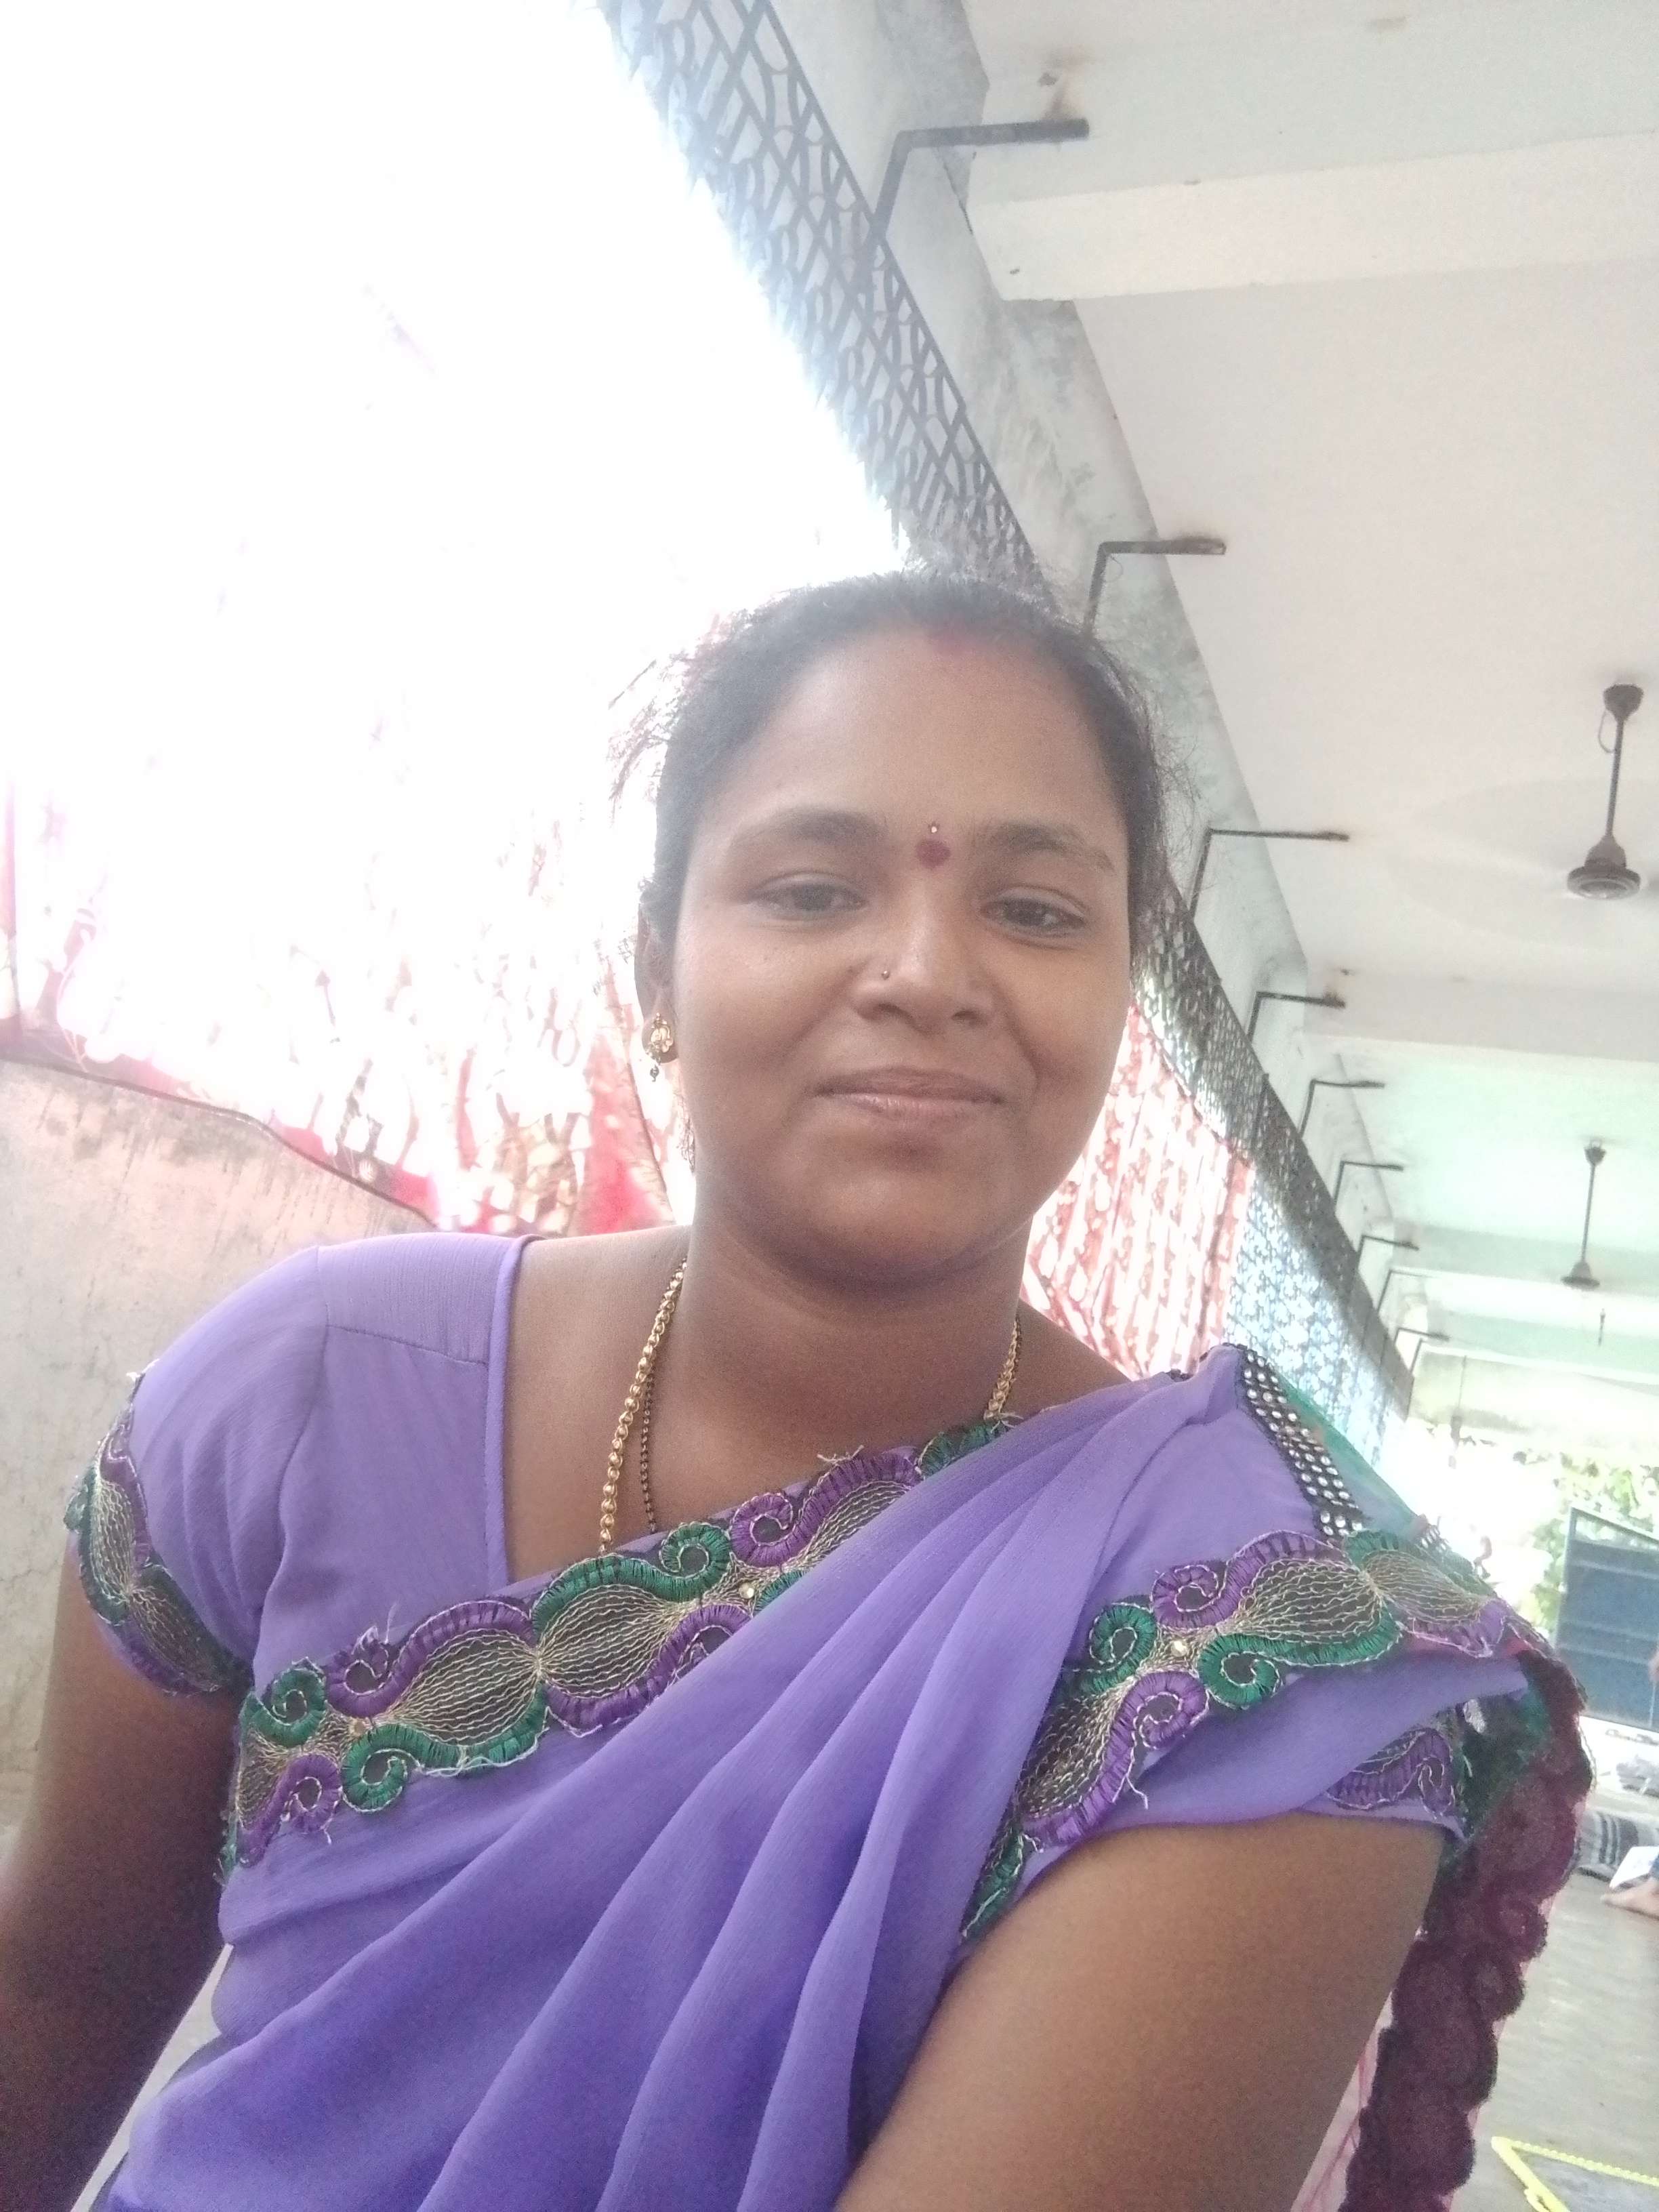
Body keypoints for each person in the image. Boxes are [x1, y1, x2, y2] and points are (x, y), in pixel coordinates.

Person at [0, 571, 1590, 2212]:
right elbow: (58, 1986)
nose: (927, 971)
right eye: (814, 889)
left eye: (1038, 912)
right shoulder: (307, 1397)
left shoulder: (1256, 1631)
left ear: (1125, 998)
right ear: (657, 969)